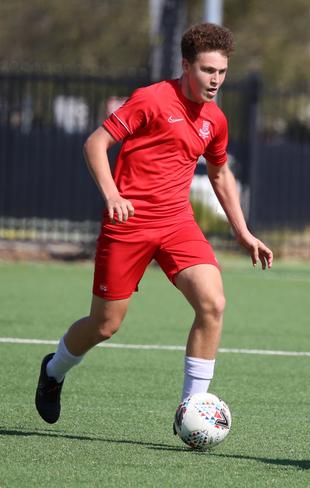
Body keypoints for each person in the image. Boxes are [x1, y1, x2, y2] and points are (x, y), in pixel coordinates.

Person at [35, 23, 273, 426]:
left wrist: (242, 231)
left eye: (221, 72)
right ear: (186, 66)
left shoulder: (215, 119)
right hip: (127, 226)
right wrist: (112, 194)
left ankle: (191, 410)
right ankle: (53, 370)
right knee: (105, 325)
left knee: (212, 303)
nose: (215, 80)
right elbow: (95, 144)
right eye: (207, 71)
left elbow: (219, 174)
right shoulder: (152, 99)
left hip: (177, 224)